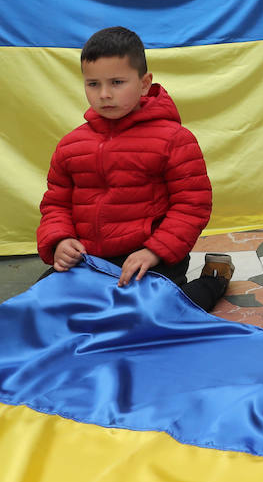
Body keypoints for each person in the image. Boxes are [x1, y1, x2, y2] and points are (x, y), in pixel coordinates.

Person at [36, 26, 234, 312]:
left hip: (150, 258)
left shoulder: (174, 140)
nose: (104, 94)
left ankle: (213, 279)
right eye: (93, 84)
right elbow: (56, 204)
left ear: (144, 84)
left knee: (154, 318)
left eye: (117, 82)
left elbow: (192, 205)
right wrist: (60, 240)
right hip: (89, 261)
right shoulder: (71, 145)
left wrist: (154, 251)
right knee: (39, 309)